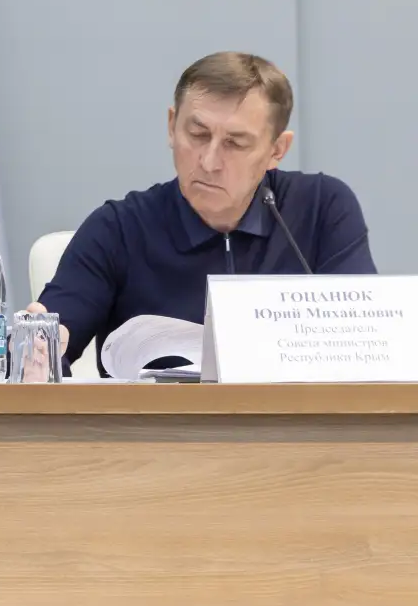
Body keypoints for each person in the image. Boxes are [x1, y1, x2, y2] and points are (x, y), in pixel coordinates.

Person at [30, 51, 373, 371]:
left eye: (235, 143)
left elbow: (365, 346)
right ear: (171, 126)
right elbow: (49, 342)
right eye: (197, 134)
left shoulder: (322, 209)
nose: (209, 162)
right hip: (155, 417)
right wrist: (39, 352)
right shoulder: (118, 228)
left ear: (277, 150)